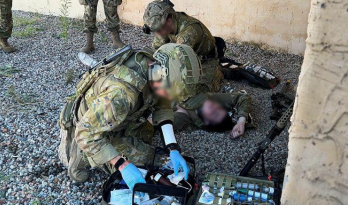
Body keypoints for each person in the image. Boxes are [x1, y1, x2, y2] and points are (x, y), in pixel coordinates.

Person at [58, 43, 204, 191]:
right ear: (161, 73)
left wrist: (173, 148)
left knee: (146, 134)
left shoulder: (154, 67)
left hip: (119, 116)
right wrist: (122, 164)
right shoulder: (121, 95)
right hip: (87, 128)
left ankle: (118, 137)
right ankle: (78, 155)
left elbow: (162, 106)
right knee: (143, 158)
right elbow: (84, 133)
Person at [143, 0, 223, 93]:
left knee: (194, 93)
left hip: (205, 61)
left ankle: (220, 73)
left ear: (169, 20)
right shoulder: (164, 27)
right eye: (154, 30)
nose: (157, 33)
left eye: (158, 29)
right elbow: (155, 51)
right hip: (184, 56)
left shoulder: (188, 32)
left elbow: (178, 63)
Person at [173, 93, 253, 139]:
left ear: (207, 122)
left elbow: (163, 118)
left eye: (215, 113)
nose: (215, 107)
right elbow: (243, 97)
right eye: (219, 108)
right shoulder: (210, 100)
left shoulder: (182, 117)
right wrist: (241, 121)